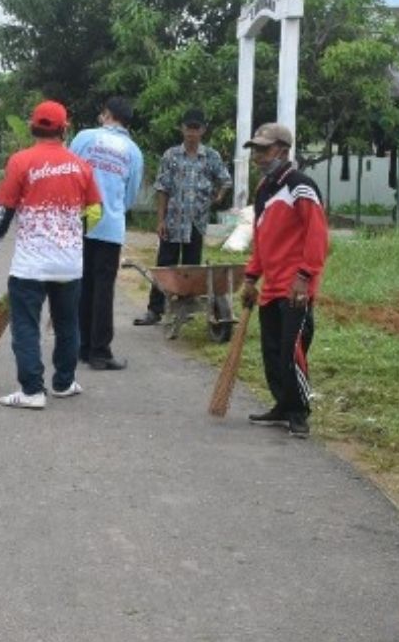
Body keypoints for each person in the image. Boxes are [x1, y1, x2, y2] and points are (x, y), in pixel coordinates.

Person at [0, 100, 102, 409]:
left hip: (30, 266)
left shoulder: (21, 161)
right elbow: (95, 211)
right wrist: (72, 235)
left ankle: (32, 391)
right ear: (64, 128)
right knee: (67, 324)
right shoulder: (80, 166)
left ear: (33, 126)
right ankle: (64, 382)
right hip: (69, 264)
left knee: (26, 326)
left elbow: (2, 212)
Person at [238, 123, 328, 438]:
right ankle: (281, 405)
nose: (259, 156)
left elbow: (317, 236)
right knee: (272, 350)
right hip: (272, 285)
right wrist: (251, 277)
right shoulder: (264, 190)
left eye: (264, 149)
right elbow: (262, 240)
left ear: (283, 150)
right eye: (256, 150)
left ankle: (299, 411)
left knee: (293, 350)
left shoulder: (301, 186)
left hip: (295, 287)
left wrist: (305, 277)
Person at [134, 108, 231, 326]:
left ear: (203, 130)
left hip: (197, 222)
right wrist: (160, 220)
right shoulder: (171, 156)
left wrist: (218, 196)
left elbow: (225, 180)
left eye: (196, 128)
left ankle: (185, 309)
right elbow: (162, 188)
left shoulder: (211, 157)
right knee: (165, 266)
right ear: (182, 129)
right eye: (188, 128)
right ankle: (155, 310)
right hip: (173, 221)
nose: (191, 133)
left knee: (191, 267)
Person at [69, 96, 143, 370]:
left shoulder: (84, 138)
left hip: (81, 222)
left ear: (106, 114)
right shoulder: (133, 151)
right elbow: (131, 195)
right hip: (111, 227)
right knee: (103, 289)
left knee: (82, 284)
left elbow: (69, 173)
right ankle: (100, 351)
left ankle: (82, 346)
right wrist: (112, 208)